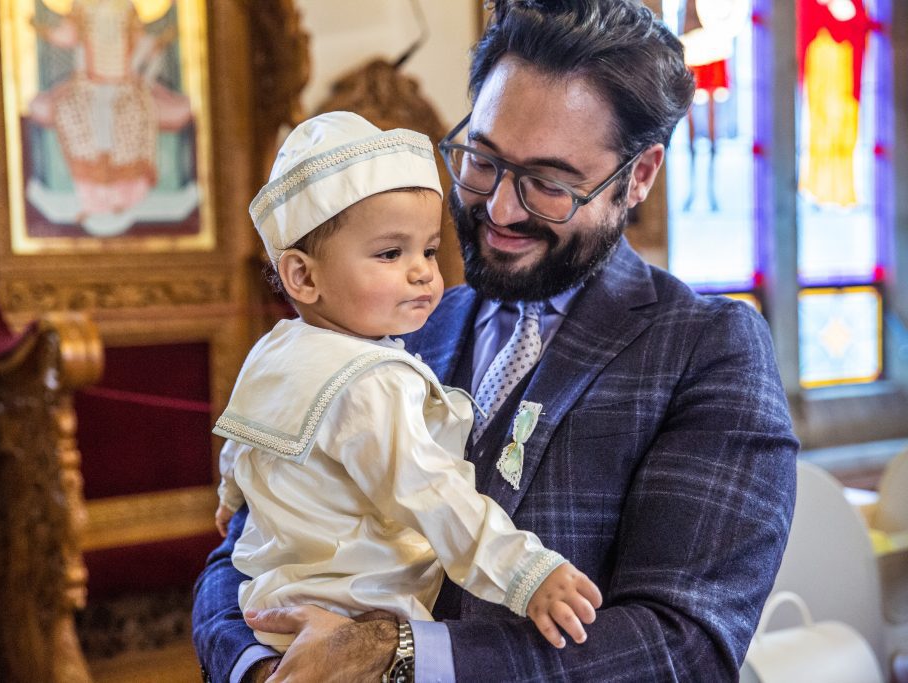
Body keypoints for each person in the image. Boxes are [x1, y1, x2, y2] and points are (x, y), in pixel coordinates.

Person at [193, 1, 799, 680]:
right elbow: (249, 542)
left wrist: (399, 655)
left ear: (639, 176)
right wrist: (258, 663)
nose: (501, 210)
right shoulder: (391, 323)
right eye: (481, 161)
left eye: (547, 183)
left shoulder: (704, 351)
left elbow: (681, 646)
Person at [211, 110, 604, 657]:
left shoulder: (275, 348)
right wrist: (527, 573)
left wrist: (230, 498)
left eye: (428, 249)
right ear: (303, 276)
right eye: (390, 254)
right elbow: (435, 496)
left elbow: (244, 439)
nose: (422, 271)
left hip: (277, 607)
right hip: (358, 612)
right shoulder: (371, 383)